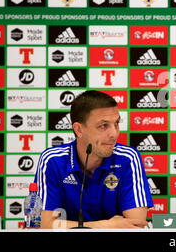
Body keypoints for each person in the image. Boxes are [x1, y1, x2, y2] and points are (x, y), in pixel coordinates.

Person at [35, 90, 153, 229]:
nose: (114, 134)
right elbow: (43, 224)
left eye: (116, 123)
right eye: (103, 126)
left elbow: (135, 224)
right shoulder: (53, 161)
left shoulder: (127, 158)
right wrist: (104, 226)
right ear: (79, 130)